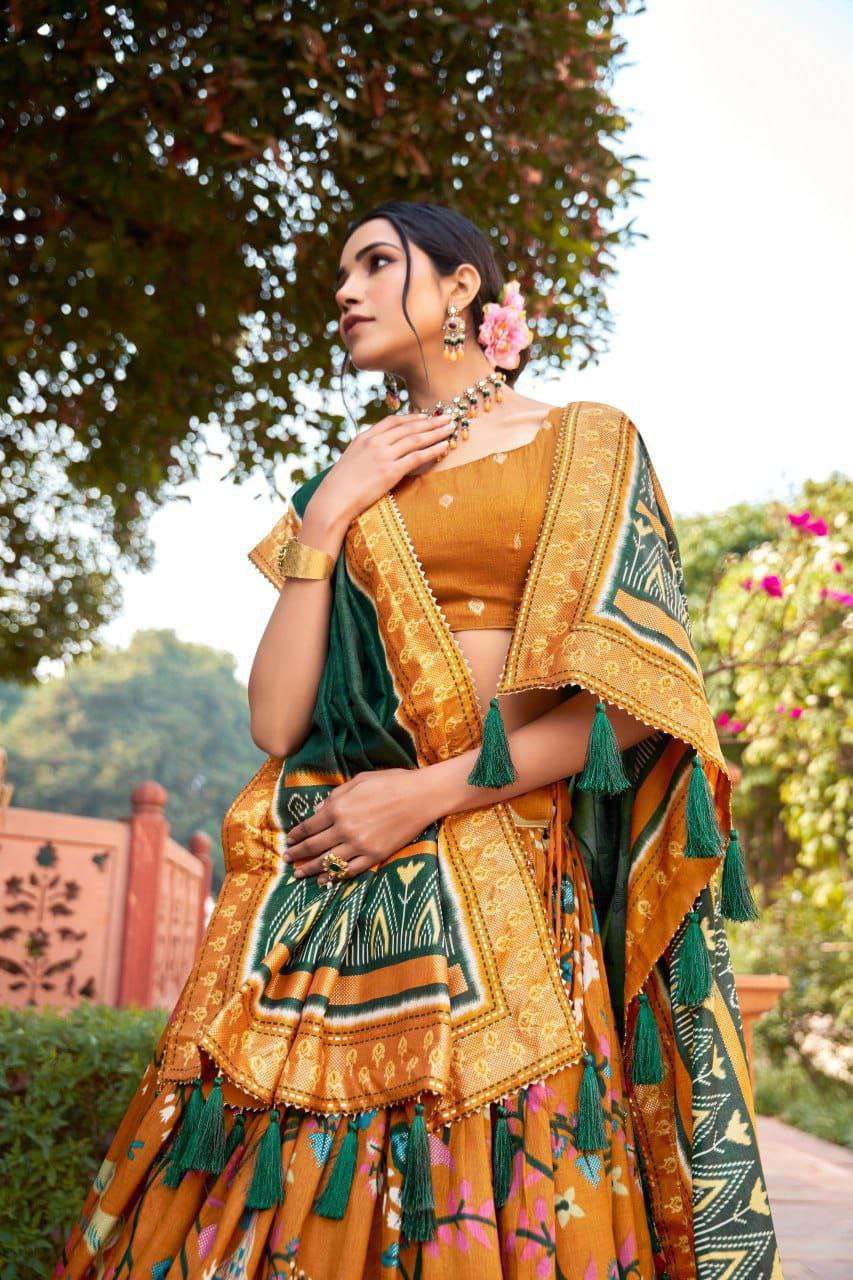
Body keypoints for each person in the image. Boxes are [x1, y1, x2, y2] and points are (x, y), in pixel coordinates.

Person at [57, 201, 783, 1279]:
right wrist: (327, 515)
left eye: (374, 262)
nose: (344, 290)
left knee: (497, 1172)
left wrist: (428, 792)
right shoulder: (348, 481)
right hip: (327, 891)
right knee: (271, 1183)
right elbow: (274, 720)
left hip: (501, 871)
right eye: (340, 271)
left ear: (460, 288)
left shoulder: (582, 441)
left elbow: (637, 696)